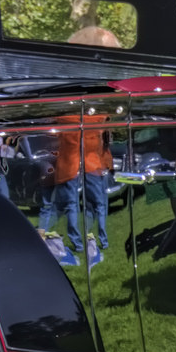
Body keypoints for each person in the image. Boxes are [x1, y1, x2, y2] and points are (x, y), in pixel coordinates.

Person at [52, 106, 113, 261]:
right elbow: (106, 134)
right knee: (98, 204)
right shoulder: (98, 117)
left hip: (69, 163)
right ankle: (102, 241)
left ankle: (78, 243)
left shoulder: (63, 118)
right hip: (92, 162)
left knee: (72, 204)